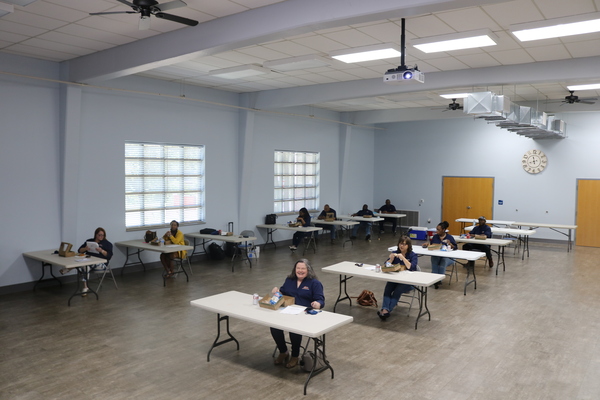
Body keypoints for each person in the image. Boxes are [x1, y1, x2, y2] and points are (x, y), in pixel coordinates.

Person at [271, 259, 325, 368]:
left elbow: (321, 300)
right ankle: (283, 351)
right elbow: (283, 293)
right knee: (274, 326)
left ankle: (295, 356)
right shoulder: (289, 280)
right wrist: (277, 292)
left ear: (308, 270)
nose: (300, 271)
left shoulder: (315, 283)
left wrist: (317, 304)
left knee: (294, 330)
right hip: (288, 311)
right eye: (298, 268)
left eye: (303, 268)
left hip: (305, 314)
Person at [378, 236, 418, 320]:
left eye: (404, 244)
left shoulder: (413, 255)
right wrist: (391, 259)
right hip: (395, 278)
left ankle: (386, 311)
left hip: (408, 281)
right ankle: (385, 309)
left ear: (408, 246)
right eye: (400, 243)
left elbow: (412, 267)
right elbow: (385, 266)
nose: (402, 246)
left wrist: (403, 258)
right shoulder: (395, 253)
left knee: (397, 291)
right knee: (387, 289)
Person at [77, 227, 113, 295]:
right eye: (99, 235)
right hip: (89, 262)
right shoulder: (89, 241)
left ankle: (69, 268)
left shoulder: (107, 244)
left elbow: (109, 256)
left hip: (101, 264)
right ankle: (85, 287)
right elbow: (79, 250)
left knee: (86, 264)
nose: (101, 236)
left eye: (102, 235)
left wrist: (101, 251)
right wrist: (85, 248)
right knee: (85, 266)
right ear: (95, 235)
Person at [422, 221, 457, 289]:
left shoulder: (449, 237)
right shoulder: (435, 237)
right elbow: (432, 245)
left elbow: (455, 248)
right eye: (436, 229)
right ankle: (434, 279)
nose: (436, 231)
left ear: (443, 230)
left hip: (448, 258)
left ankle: (439, 280)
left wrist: (450, 244)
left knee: (443, 261)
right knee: (434, 259)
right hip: (437, 256)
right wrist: (427, 244)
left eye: (438, 229)